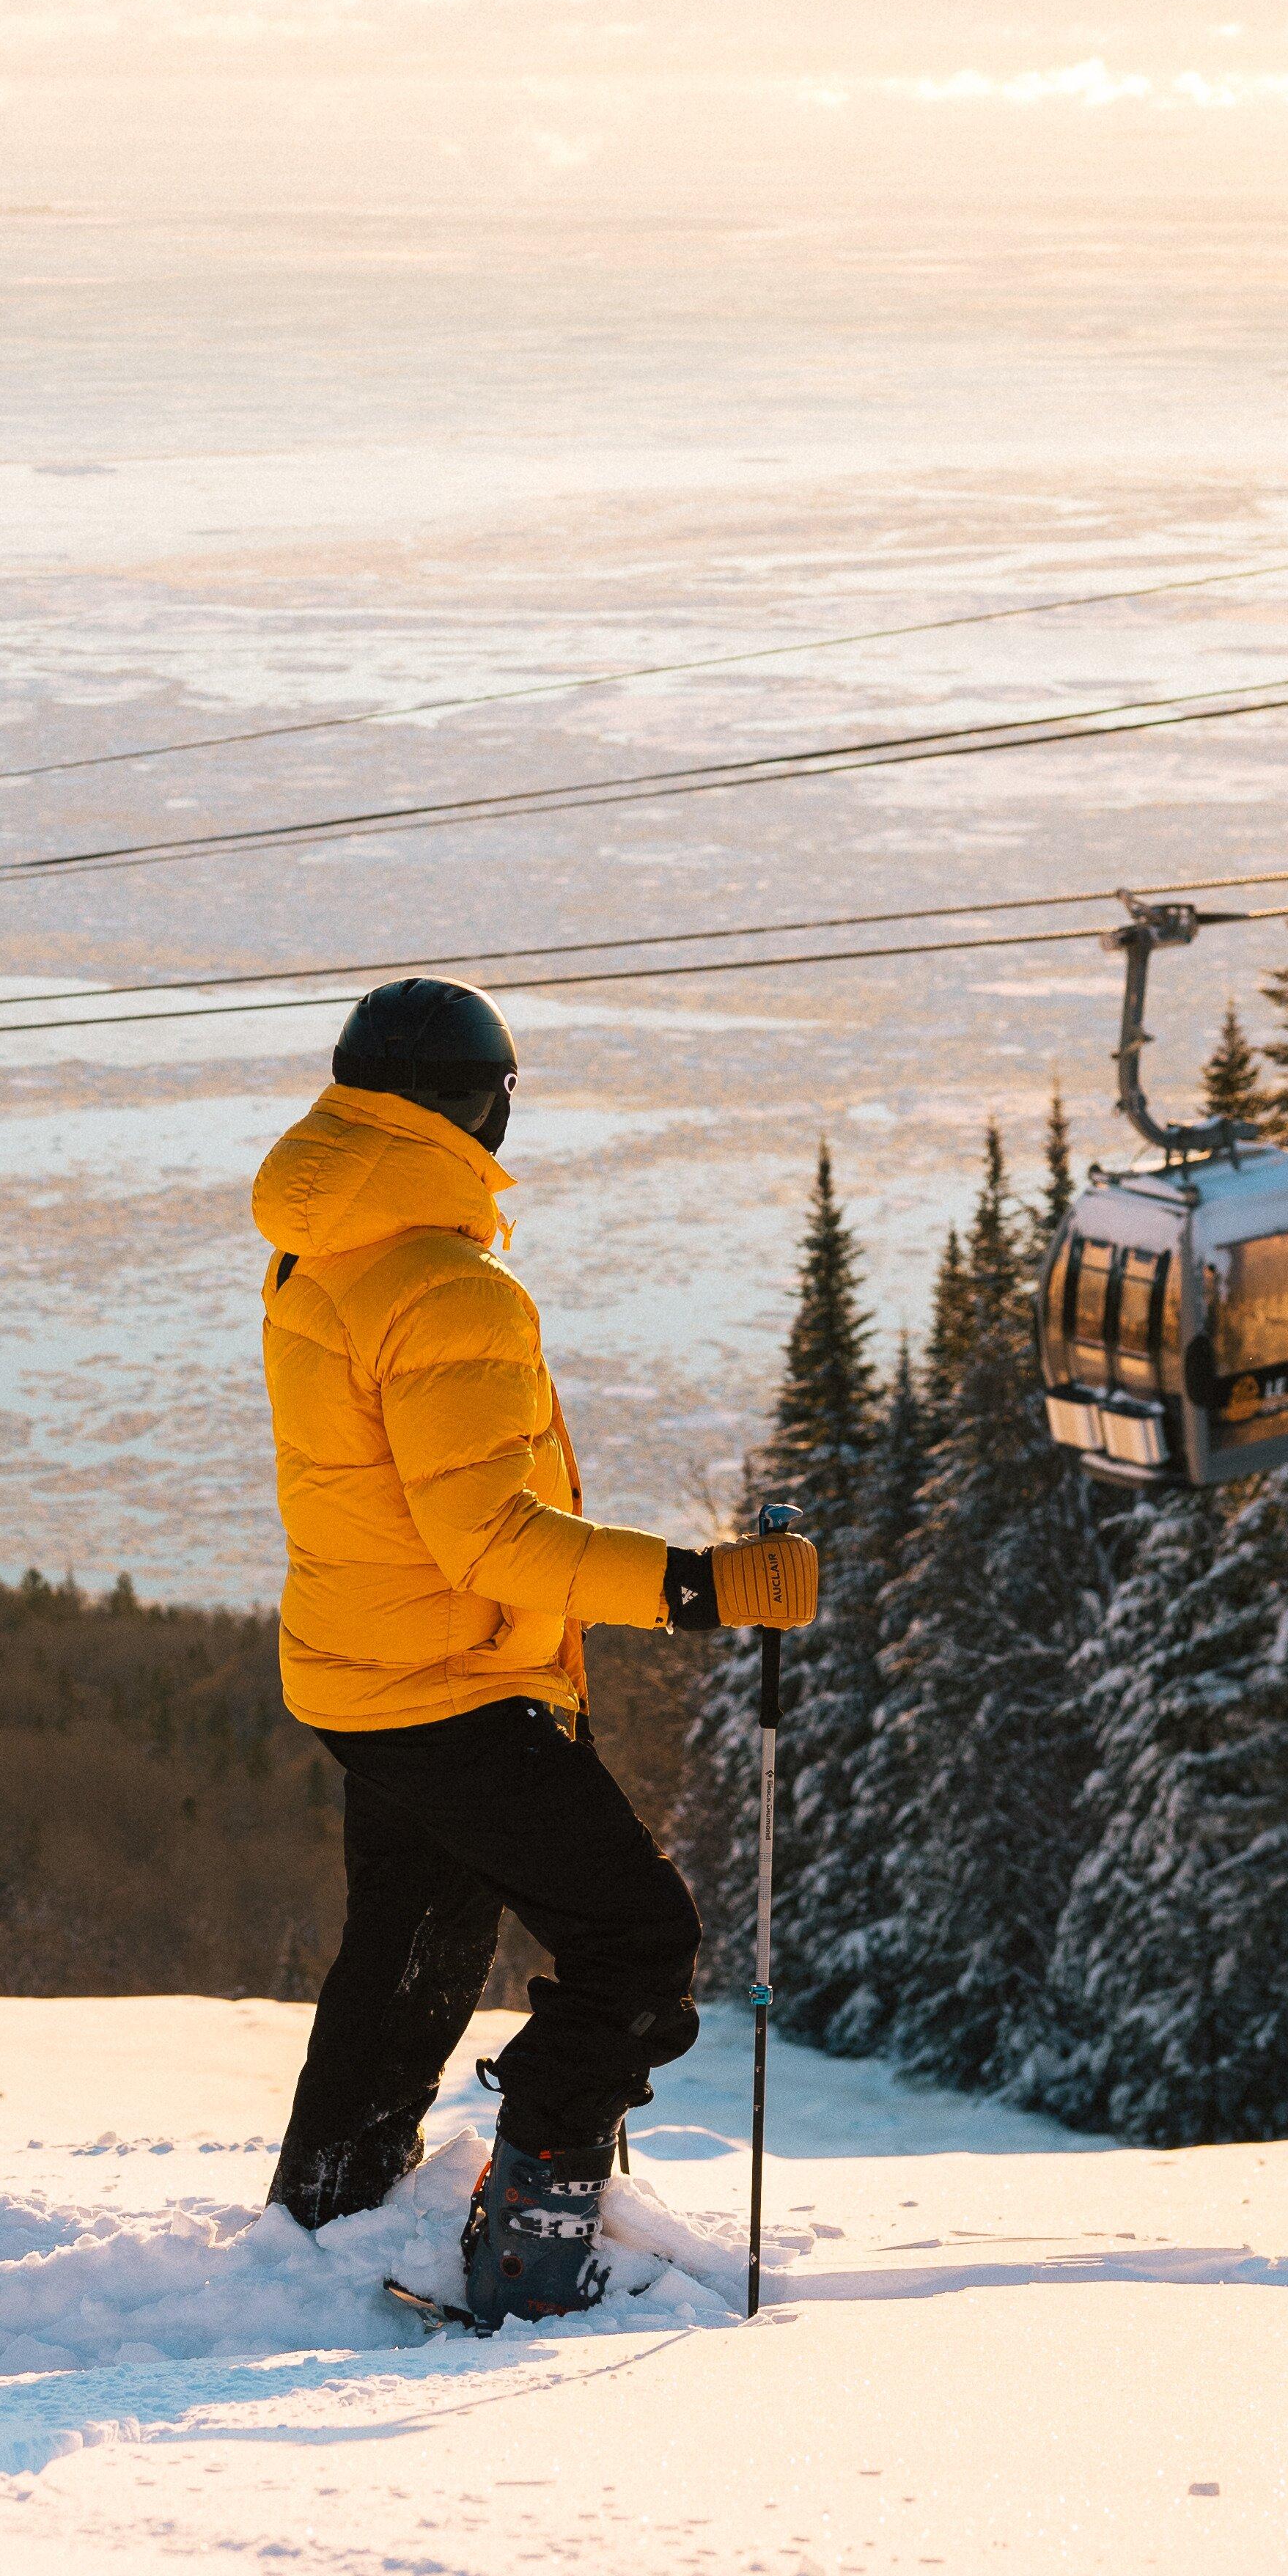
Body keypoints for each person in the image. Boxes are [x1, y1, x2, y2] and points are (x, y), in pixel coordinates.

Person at [252, 976, 822, 2327]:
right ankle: (536, 2244)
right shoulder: (449, 1287)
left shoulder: (320, 1245)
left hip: (361, 1670)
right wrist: (703, 1589)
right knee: (637, 1942)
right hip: (454, 1683)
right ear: (482, 1104)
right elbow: (496, 1542)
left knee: (414, 1952)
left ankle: (326, 2217)